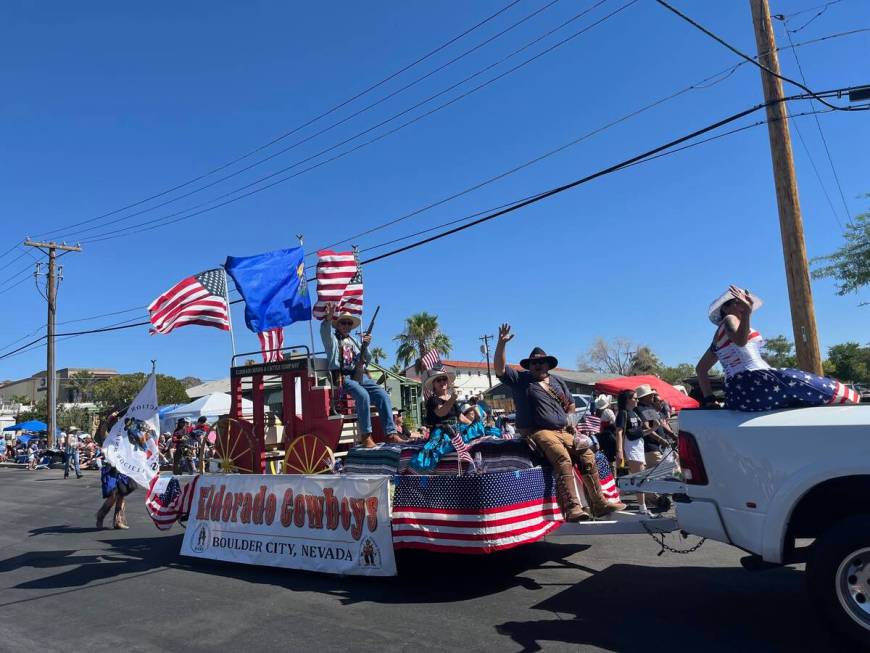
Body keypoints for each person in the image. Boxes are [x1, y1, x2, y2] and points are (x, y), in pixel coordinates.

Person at [494, 324, 624, 521]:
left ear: (548, 364)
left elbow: (570, 404)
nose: (538, 365)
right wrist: (501, 344)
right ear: (529, 366)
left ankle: (598, 503)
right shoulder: (521, 380)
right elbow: (500, 369)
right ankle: (573, 508)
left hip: (564, 430)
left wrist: (571, 422)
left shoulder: (558, 382)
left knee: (588, 455)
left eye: (542, 362)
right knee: (562, 458)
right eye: (534, 363)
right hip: (539, 431)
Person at [697, 286, 860, 410]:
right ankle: (853, 400)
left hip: (740, 392)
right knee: (817, 386)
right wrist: (747, 314)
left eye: (745, 301)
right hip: (752, 383)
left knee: (803, 395)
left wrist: (709, 399)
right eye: (737, 301)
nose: (743, 305)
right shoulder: (729, 319)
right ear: (724, 308)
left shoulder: (720, 338)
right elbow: (741, 342)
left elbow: (701, 369)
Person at [320, 303, 398, 448]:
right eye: (343, 322)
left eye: (349, 323)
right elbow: (325, 332)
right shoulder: (333, 341)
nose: (346, 325)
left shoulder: (355, 341)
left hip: (360, 376)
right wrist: (328, 319)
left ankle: (391, 433)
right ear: (337, 325)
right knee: (363, 396)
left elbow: (366, 359)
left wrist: (366, 346)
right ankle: (366, 436)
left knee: (383, 395)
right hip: (344, 378)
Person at [94, 411, 137, 529]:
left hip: (123, 469)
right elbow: (102, 432)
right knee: (113, 496)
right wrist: (108, 419)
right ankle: (100, 517)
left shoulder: (124, 437)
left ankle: (118, 521)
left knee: (122, 495)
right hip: (111, 469)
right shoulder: (108, 437)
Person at [614, 389, 652, 515]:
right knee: (639, 478)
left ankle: (614, 496)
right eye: (635, 398)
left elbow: (640, 432)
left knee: (637, 477)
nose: (637, 400)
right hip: (631, 448)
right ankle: (643, 508)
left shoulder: (634, 413)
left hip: (639, 447)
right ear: (627, 400)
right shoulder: (623, 413)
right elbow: (619, 432)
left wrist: (654, 428)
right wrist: (619, 451)